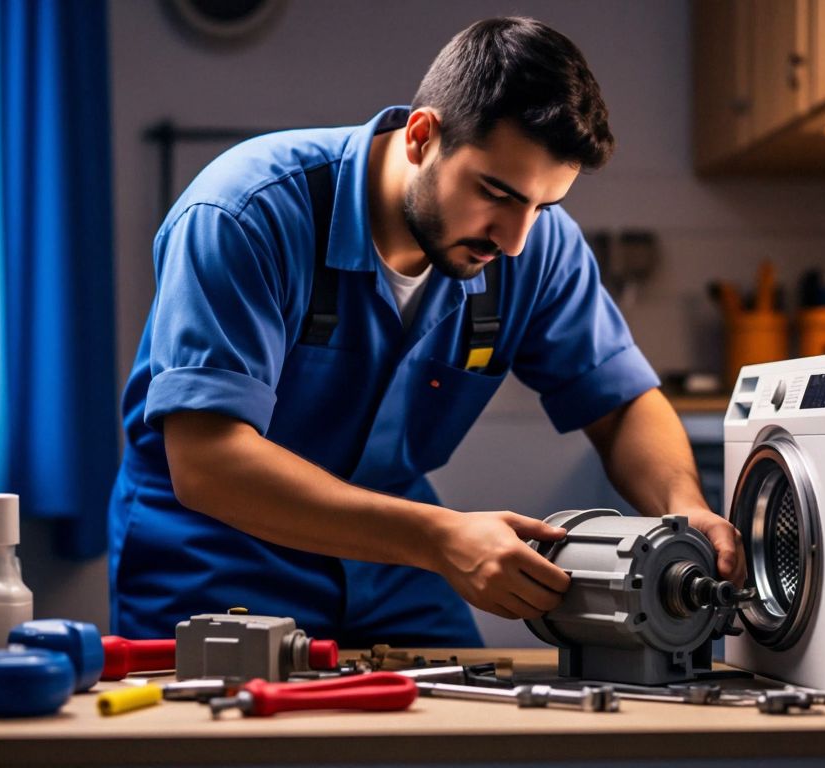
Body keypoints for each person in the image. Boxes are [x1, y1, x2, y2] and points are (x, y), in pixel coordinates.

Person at [109, 16, 744, 646]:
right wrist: (439, 536)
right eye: (495, 191)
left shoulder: (538, 246)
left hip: (395, 567)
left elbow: (623, 404)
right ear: (421, 137)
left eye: (542, 206)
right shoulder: (244, 213)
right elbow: (208, 465)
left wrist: (681, 504)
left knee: (459, 744)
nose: (515, 239)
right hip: (217, 555)